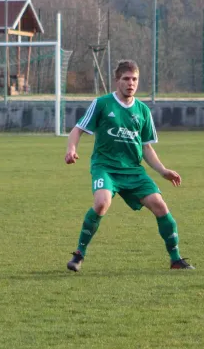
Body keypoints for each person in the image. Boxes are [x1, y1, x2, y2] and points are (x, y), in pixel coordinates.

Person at [64, 60, 195, 272]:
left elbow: (146, 148)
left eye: (134, 79)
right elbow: (77, 129)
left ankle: (175, 259)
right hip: (105, 167)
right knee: (101, 203)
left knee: (160, 206)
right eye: (126, 79)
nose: (130, 83)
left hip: (133, 171)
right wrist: (71, 149)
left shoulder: (143, 111)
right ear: (117, 81)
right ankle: (79, 254)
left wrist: (163, 171)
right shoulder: (102, 104)